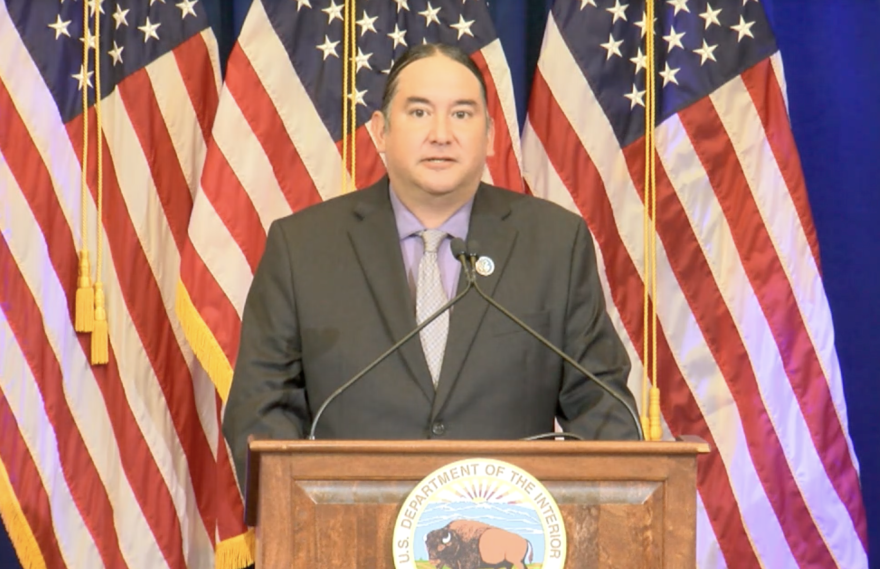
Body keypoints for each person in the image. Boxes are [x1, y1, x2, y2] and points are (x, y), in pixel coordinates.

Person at [222, 43, 639, 489]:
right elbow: (261, 406)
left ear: (491, 135)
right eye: (419, 113)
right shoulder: (302, 247)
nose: (441, 134)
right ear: (380, 132)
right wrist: (302, 509)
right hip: (346, 539)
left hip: (509, 536)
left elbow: (602, 406)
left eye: (462, 114)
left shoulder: (556, 243)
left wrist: (596, 515)